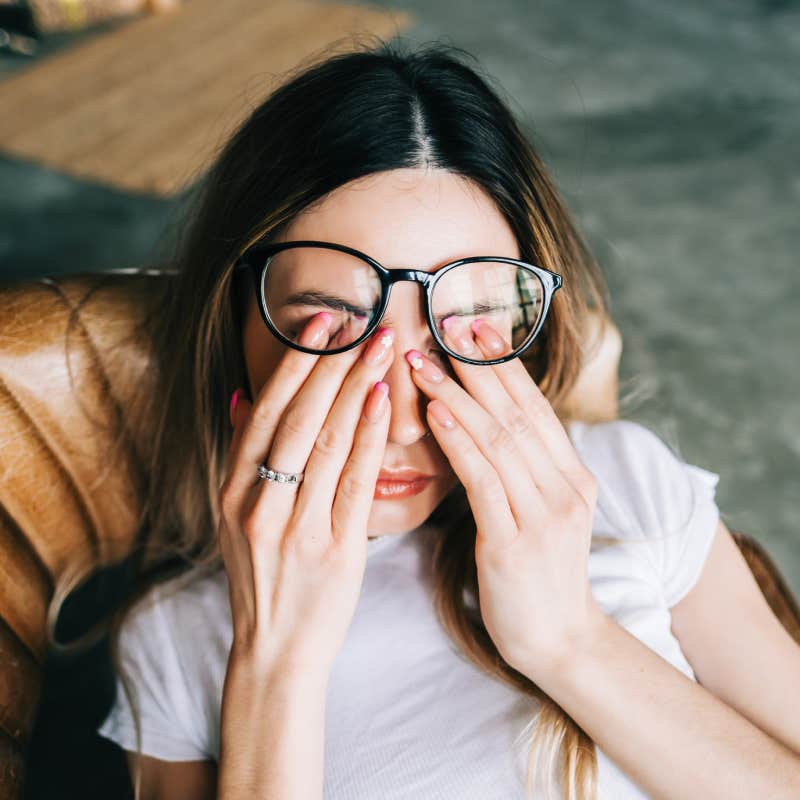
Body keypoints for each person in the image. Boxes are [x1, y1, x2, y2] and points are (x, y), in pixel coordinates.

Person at [84, 38, 800, 800]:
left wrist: (569, 639)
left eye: (469, 328)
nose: (401, 422)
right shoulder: (175, 636)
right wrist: (277, 658)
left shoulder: (626, 482)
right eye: (333, 332)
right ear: (234, 327)